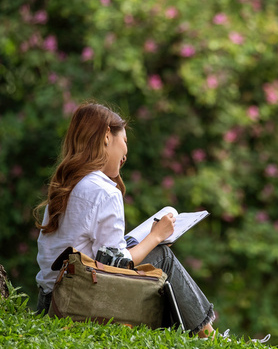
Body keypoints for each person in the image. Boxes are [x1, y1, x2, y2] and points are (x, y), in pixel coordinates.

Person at [34, 102, 216, 338]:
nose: (126, 154)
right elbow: (115, 265)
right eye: (125, 142)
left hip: (48, 302)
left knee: (152, 253)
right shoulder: (104, 190)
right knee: (162, 257)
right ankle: (209, 336)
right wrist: (156, 236)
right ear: (107, 136)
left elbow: (99, 254)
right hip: (77, 305)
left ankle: (201, 334)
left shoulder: (65, 185)